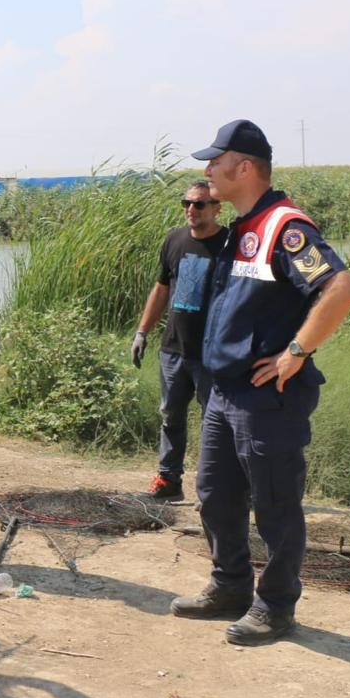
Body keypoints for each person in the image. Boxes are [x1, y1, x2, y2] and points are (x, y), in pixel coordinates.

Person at [169, 119, 350, 645]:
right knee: (214, 494)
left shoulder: (285, 226)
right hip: (225, 391)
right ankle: (229, 586)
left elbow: (341, 288)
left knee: (274, 504)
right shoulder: (244, 226)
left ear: (244, 167)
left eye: (216, 161)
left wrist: (296, 351)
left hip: (266, 398)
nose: (208, 171)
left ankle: (276, 606)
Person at [130, 180, 228, 501]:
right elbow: (161, 288)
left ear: (217, 208)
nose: (191, 209)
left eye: (199, 204)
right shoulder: (174, 240)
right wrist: (142, 332)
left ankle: (218, 486)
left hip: (212, 353)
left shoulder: (231, 244)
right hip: (173, 349)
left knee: (216, 421)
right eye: (186, 203)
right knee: (170, 414)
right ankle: (169, 479)